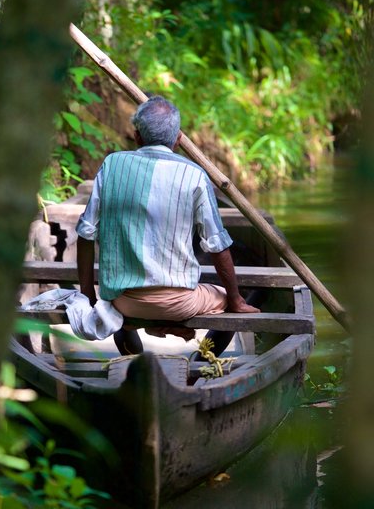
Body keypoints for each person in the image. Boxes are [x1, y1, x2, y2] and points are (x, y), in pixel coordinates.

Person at [75, 95, 259, 356]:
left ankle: (139, 357)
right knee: (229, 301)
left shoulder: (112, 165)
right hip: (179, 303)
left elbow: (85, 234)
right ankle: (198, 365)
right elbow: (217, 245)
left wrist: (88, 296)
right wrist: (236, 299)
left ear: (137, 137)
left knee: (117, 310)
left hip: (122, 301)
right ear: (178, 140)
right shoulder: (194, 175)